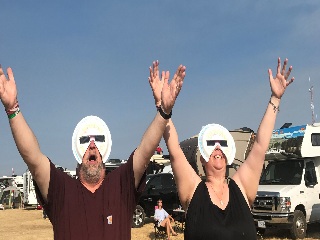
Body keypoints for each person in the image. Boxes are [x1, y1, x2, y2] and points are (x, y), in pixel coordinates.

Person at [0, 60, 186, 240]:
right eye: (86, 141)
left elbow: (145, 151)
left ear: (103, 152)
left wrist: (163, 112)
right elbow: (33, 158)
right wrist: (12, 109)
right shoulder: (61, 190)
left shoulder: (121, 187)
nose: (91, 145)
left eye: (97, 141)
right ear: (77, 152)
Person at [150, 58, 294, 239]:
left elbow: (259, 146)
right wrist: (163, 108)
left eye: (221, 144)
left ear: (228, 154)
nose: (217, 147)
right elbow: (176, 153)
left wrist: (275, 98)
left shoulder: (241, 187)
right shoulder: (193, 190)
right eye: (211, 144)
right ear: (202, 157)